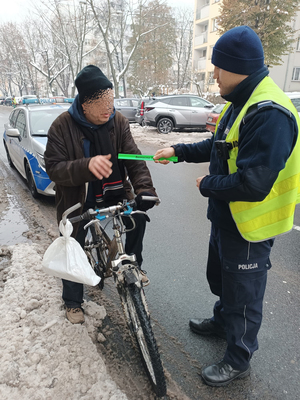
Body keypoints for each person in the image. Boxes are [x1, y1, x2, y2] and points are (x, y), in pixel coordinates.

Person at [154, 26, 300, 387]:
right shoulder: (240, 103)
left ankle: (239, 357)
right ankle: (222, 323)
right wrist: (180, 151)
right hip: (228, 218)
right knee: (223, 279)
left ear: (240, 67)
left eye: (219, 67)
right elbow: (220, 144)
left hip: (250, 226)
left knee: (244, 294)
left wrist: (207, 185)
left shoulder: (269, 113)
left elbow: (254, 183)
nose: (214, 75)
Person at [45, 65, 158, 324]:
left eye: (111, 102)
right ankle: (73, 301)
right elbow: (54, 168)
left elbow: (133, 158)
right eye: (101, 105)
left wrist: (145, 189)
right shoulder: (62, 126)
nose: (109, 109)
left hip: (115, 191)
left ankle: (133, 265)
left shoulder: (117, 121)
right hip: (78, 199)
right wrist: (86, 166)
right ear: (84, 105)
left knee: (138, 217)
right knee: (72, 243)